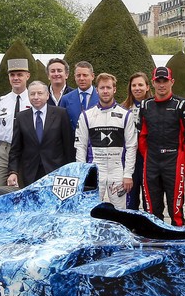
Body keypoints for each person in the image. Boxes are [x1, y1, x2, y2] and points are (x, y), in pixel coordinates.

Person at [138, 66, 185, 225]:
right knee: (151, 208)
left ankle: (177, 241)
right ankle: (154, 239)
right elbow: (141, 136)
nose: (162, 85)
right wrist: (149, 156)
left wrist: (183, 160)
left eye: (165, 81)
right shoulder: (145, 105)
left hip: (174, 160)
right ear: (153, 83)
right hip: (152, 161)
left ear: (172, 82)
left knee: (175, 209)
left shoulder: (182, 104)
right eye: (158, 81)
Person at [75, 73, 137, 208]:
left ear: (114, 89)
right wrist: (82, 173)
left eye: (108, 87)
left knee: (121, 213)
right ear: (96, 90)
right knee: (91, 211)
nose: (105, 91)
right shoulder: (87, 115)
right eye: (102, 88)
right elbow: (81, 146)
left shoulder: (126, 115)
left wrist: (128, 174)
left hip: (118, 172)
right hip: (96, 171)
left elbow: (132, 146)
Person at [8, 81, 74, 187]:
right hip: (30, 172)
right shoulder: (21, 117)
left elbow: (68, 145)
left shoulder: (60, 114)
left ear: (47, 95)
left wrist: (71, 170)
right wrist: (13, 172)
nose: (36, 97)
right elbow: (15, 148)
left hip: (56, 170)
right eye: (32, 94)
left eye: (40, 93)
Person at [0, 59, 32, 186]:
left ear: (27, 76)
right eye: (12, 75)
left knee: (22, 187)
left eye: (19, 75)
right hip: (4, 149)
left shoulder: (33, 100)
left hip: (25, 148)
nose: (16, 78)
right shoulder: (1, 102)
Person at [123, 72, 150, 210]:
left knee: (149, 198)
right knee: (131, 198)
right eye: (134, 85)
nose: (137, 88)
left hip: (148, 158)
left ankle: (147, 227)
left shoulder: (154, 106)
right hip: (130, 159)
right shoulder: (123, 108)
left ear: (147, 87)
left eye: (140, 84)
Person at [60, 61, 97, 128]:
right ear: (75, 77)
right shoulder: (66, 99)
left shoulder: (102, 97)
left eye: (85, 75)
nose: (81, 79)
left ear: (92, 76)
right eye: (78, 75)